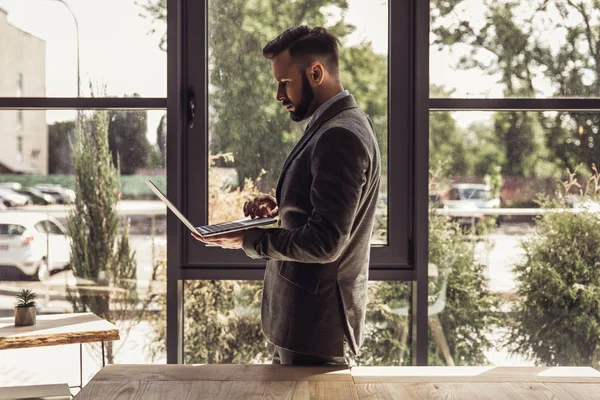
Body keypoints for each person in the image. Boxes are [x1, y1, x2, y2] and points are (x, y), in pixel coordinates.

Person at [192, 25, 381, 365]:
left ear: (316, 72)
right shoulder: (337, 125)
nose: (279, 95)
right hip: (307, 324)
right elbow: (330, 210)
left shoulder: (340, 135)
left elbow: (326, 242)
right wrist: (284, 208)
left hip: (315, 327)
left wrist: (251, 239)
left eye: (284, 83)